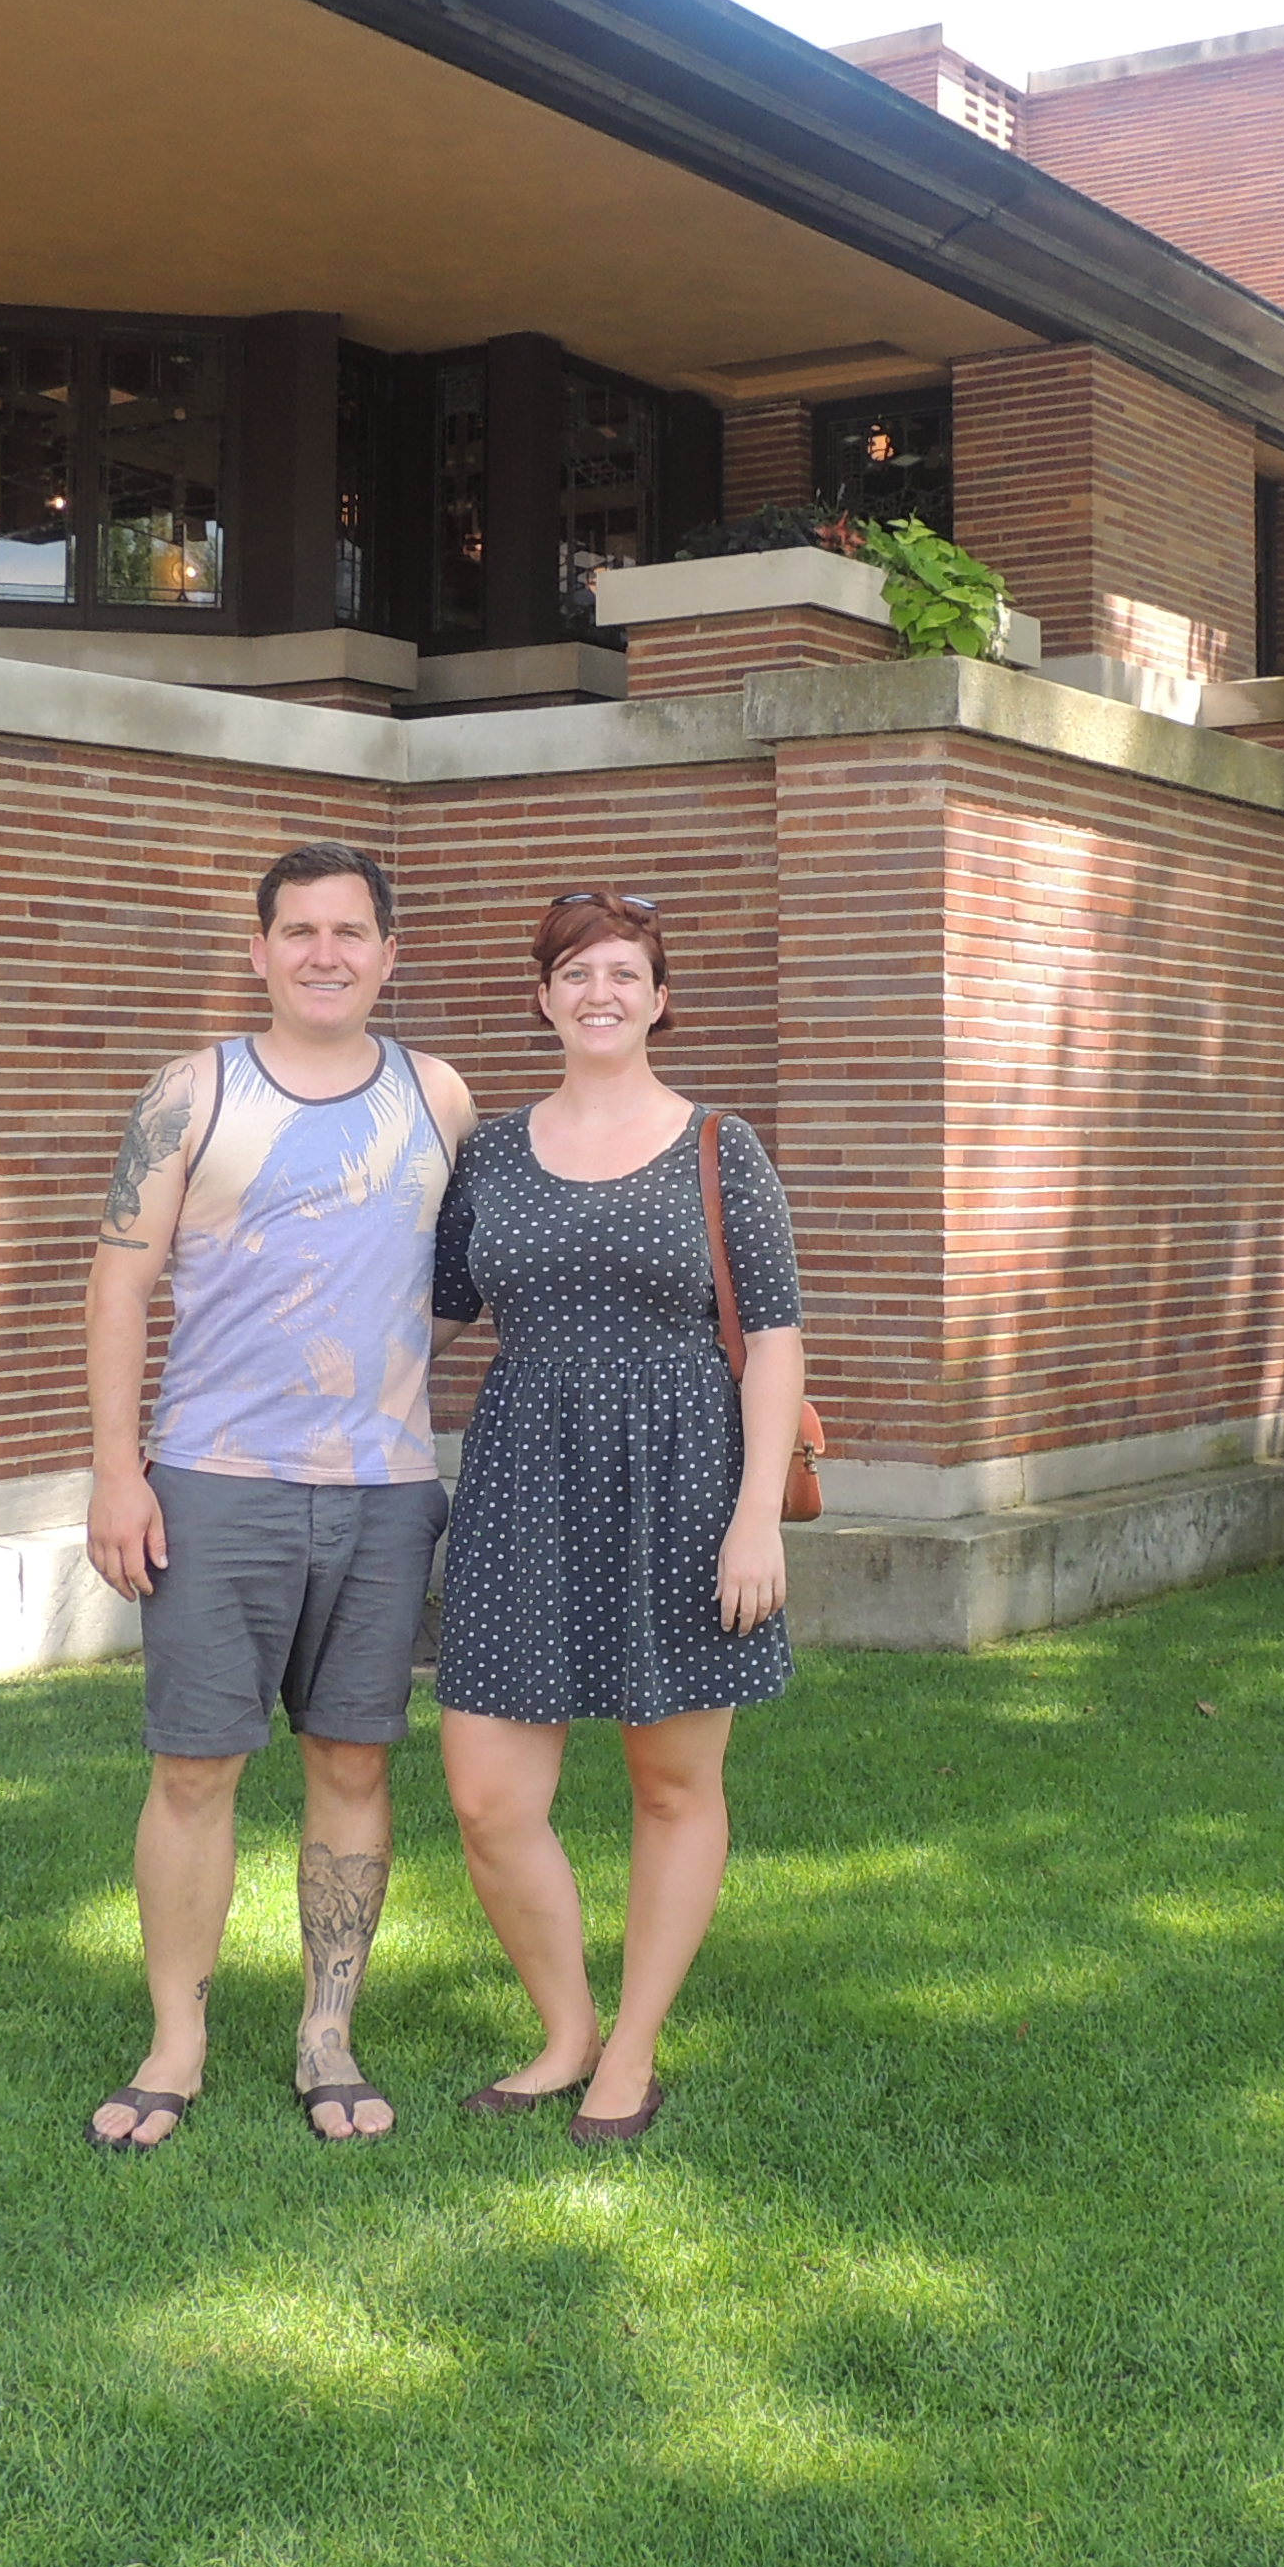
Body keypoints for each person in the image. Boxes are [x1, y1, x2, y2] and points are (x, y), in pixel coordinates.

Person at [80, 841, 476, 2153]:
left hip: (383, 1490)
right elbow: (120, 1282)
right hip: (216, 1483)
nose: (324, 953)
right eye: (299, 930)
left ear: (388, 956)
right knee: (196, 1767)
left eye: (350, 932)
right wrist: (119, 1471)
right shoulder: (193, 1091)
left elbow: (463, 1276)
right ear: (258, 952)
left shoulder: (438, 1097)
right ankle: (175, 2041)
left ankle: (327, 2034)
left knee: (354, 1760)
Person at [425, 887, 807, 2148]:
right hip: (523, 1485)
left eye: (623, 973)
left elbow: (776, 1341)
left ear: (659, 998)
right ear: (544, 998)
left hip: (682, 1489)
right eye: (576, 972)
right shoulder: (489, 1155)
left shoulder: (720, 1147)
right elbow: (429, 1310)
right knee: (487, 1795)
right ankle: (565, 2032)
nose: (600, 992)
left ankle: (630, 2053)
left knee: (672, 1785)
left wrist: (756, 1519)